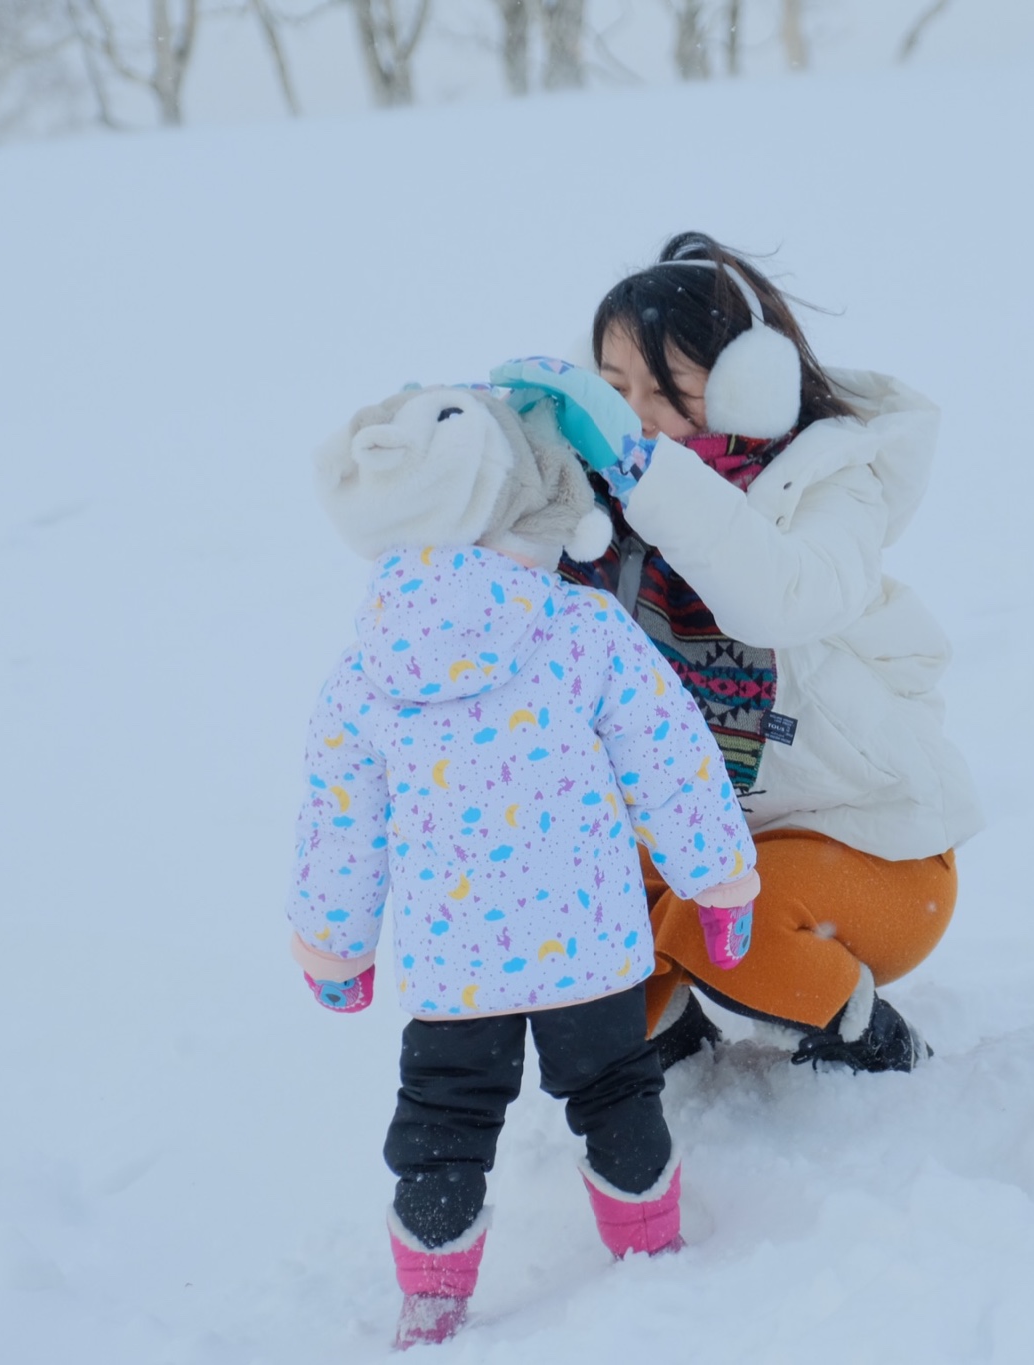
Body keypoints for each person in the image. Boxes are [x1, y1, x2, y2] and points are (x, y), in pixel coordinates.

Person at [286, 382, 761, 1349]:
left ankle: (430, 1297)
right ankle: (649, 1248)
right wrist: (716, 877)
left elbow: (342, 821)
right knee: (615, 1087)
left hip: (456, 962)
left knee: (443, 1117)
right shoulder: (579, 626)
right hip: (586, 940)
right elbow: (668, 756)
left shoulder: (366, 667)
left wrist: (336, 947)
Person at [500, 231, 983, 1076]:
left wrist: (645, 470)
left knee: (712, 930)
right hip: (708, 851)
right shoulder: (605, 519)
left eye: (665, 391)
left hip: (875, 857)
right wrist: (485, 472)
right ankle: (675, 1047)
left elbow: (778, 598)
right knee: (577, 909)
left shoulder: (834, 486)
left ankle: (875, 1041)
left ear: (748, 389)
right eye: (612, 391)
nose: (632, 415)